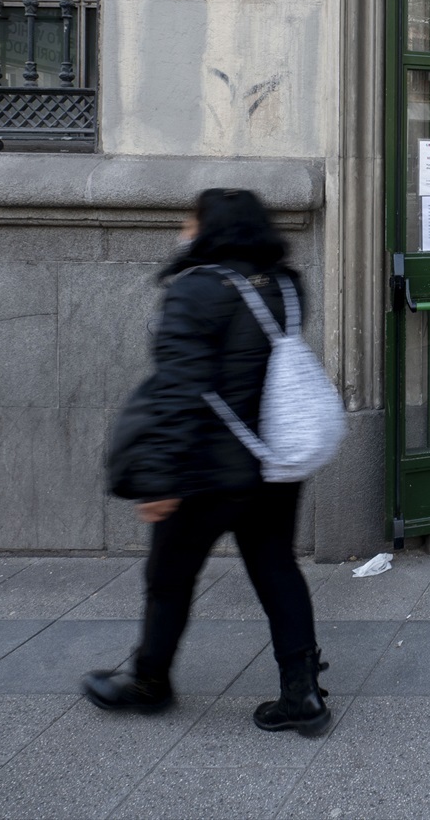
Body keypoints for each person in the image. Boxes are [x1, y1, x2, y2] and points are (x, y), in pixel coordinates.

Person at [87, 188, 331, 736]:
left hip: (207, 467)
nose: (183, 227)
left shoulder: (196, 291)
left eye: (190, 219)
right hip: (271, 460)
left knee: (169, 577)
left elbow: (177, 391)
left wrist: (159, 479)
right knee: (276, 569)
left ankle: (149, 682)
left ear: (210, 227)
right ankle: (303, 694)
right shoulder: (287, 286)